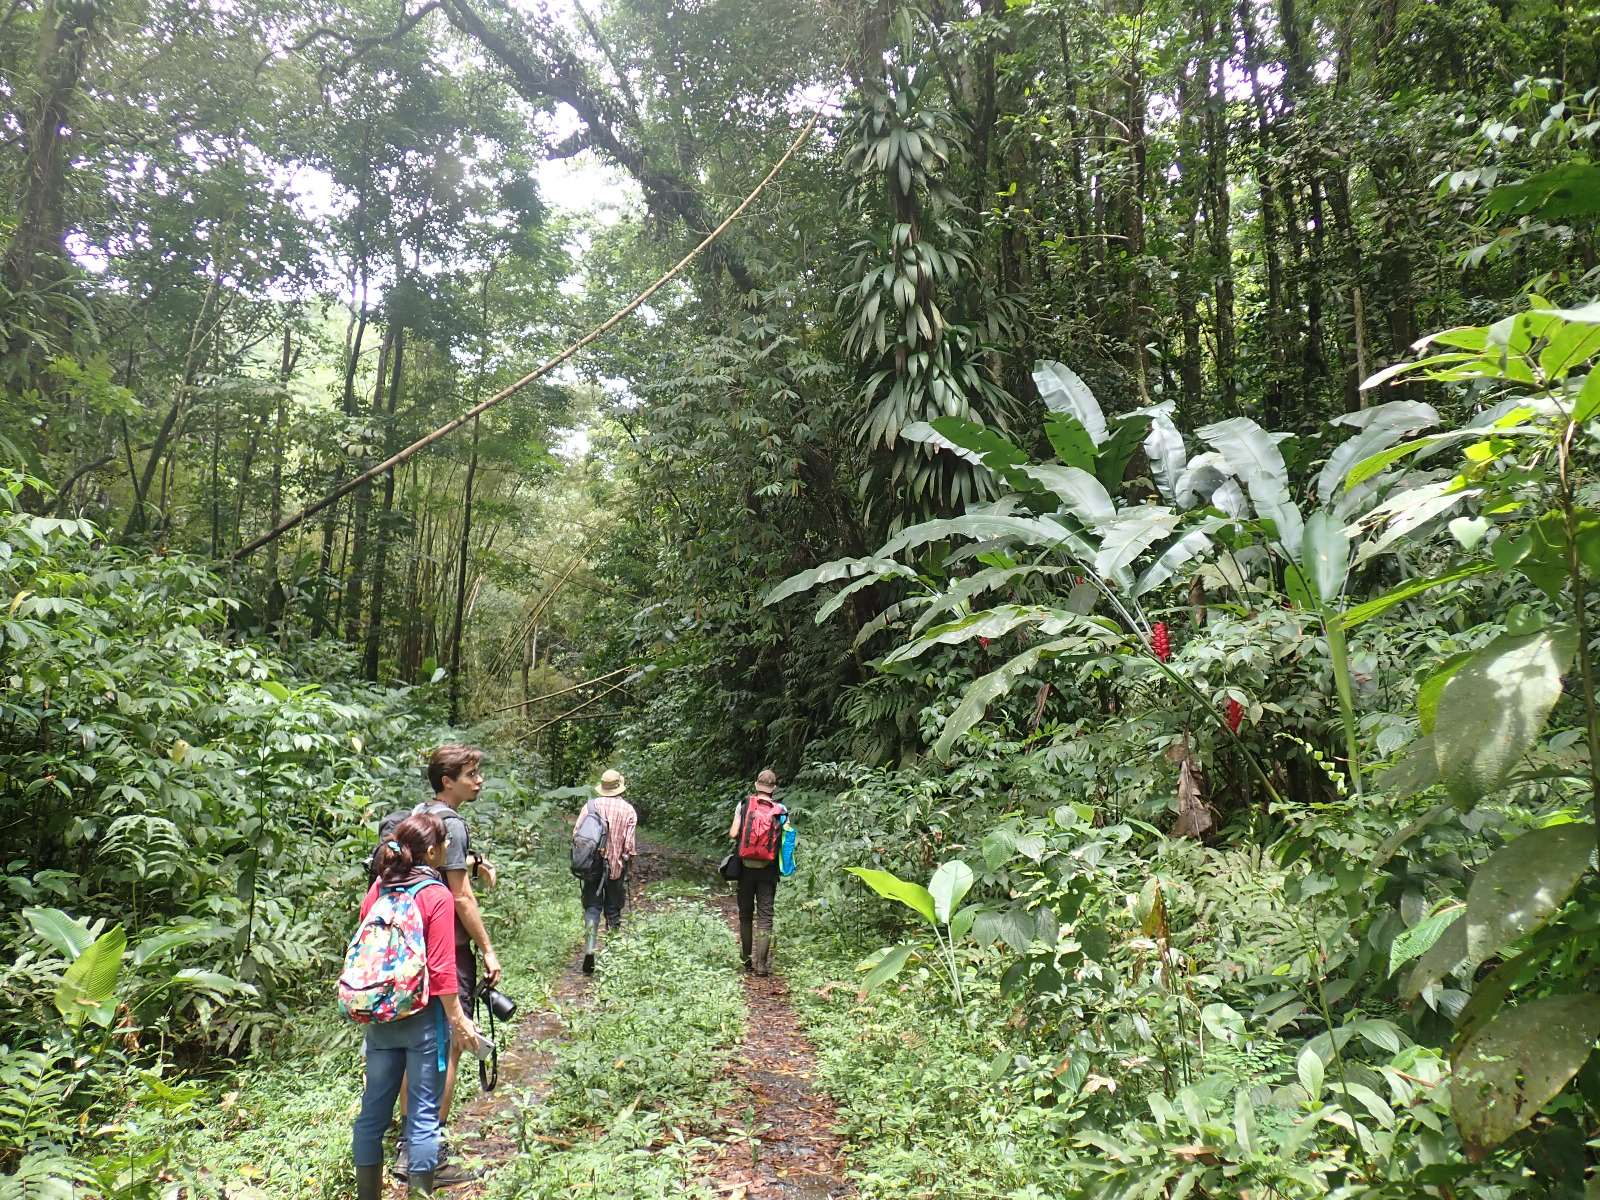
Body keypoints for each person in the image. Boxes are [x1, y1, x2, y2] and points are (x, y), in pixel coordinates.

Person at [351, 812, 479, 1199]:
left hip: (381, 1015)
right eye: (444, 842)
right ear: (432, 851)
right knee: (423, 1120)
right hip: (424, 1019)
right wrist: (459, 1021)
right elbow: (441, 969)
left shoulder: (379, 887)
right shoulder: (435, 894)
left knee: (371, 1116)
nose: (448, 847)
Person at [395, 744, 501, 1183]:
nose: (479, 781)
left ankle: (408, 1142)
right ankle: (431, 1151)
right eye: (471, 774)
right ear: (447, 781)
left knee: (418, 1047)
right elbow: (460, 896)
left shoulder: (421, 815)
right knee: (450, 1044)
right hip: (447, 950)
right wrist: (488, 949)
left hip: (411, 949)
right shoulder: (453, 823)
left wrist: (475, 861)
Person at [729, 769, 786, 976]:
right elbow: (786, 840)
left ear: (756, 785)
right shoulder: (781, 810)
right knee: (765, 917)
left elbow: (733, 833)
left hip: (745, 868)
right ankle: (761, 966)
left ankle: (746, 960)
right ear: (774, 788)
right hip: (768, 871)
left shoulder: (744, 805)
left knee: (745, 915)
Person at [580, 768, 638, 974]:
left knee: (592, 907)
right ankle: (612, 954)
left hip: (592, 868)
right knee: (613, 909)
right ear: (619, 787)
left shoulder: (590, 806)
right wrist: (628, 866)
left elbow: (577, 836)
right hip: (616, 869)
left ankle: (589, 949)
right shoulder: (628, 810)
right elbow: (629, 847)